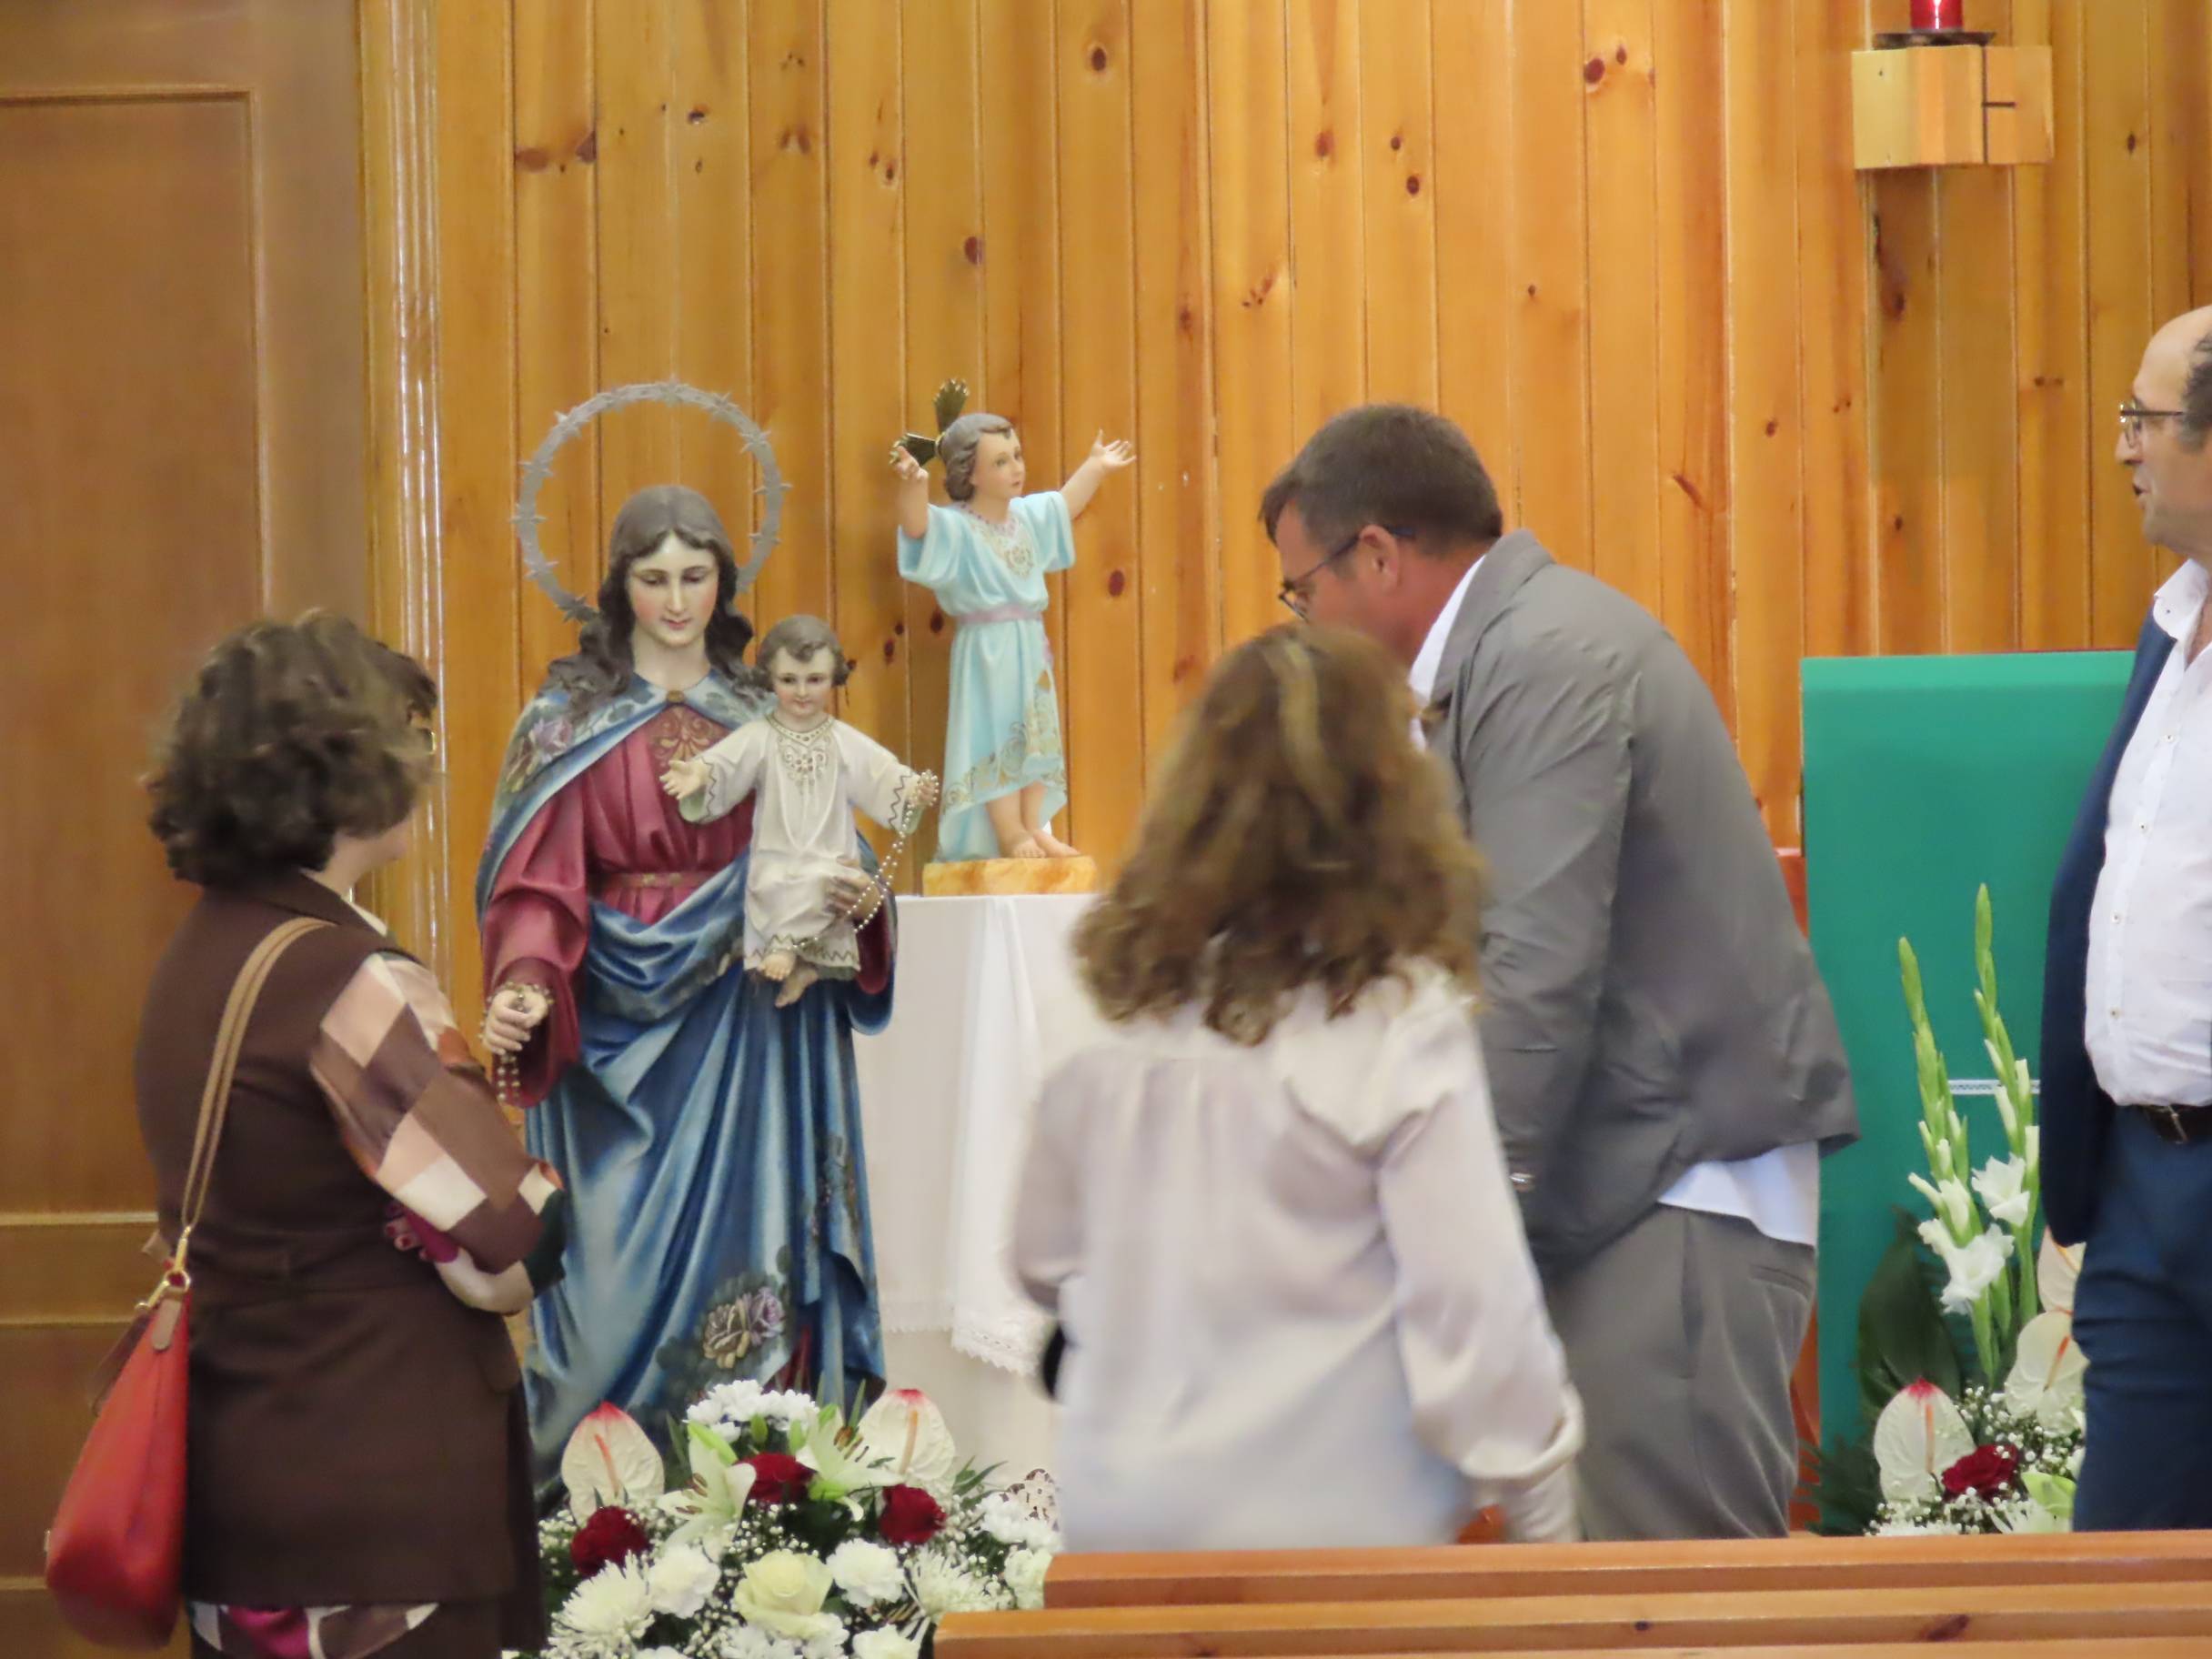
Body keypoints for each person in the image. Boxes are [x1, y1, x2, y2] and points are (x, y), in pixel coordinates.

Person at [1262, 404, 1856, 1542]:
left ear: (1377, 553)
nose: (1306, 625)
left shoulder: (1541, 655)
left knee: (1668, 1609)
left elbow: (1532, 967)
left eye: (1303, 591)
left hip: (1674, 1189)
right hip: (1628, 1181)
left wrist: (1456, 1235)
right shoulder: (1502, 655)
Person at [1011, 625, 1583, 1550]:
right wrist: (1545, 1520)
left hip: (1125, 1522)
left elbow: (1038, 1261)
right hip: (1336, 1534)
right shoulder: (1396, 1022)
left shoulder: (1101, 1010)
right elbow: (1475, 1323)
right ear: (1385, 807)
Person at [136, 614, 566, 1659]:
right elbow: (514, 1223)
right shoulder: (346, 978)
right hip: (371, 1505)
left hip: (245, 1479)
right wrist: (498, 1259)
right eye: (407, 737)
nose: (424, 762)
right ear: (343, 774)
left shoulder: (197, 958)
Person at [478, 485, 895, 1490]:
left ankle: (749, 1514)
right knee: (596, 1315)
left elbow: (841, 848)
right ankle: (584, 1526)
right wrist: (528, 980)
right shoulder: (566, 721)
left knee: (749, 1292)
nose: (675, 600)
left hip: (747, 1026)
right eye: (653, 577)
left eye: (695, 576)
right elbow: (538, 880)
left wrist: (856, 906)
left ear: (724, 581)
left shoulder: (767, 709)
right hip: (607, 1036)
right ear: (618, 587)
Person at [2042, 304, 2212, 1531]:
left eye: (2143, 420)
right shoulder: (2169, 622)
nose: (2123, 449)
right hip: (2145, 1190)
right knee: (2121, 1582)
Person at [890, 411, 1132, 860]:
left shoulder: (1024, 518)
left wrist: (1094, 467)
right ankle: (1008, 832)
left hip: (1028, 643)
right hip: (988, 648)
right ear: (970, 473)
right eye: (1001, 462)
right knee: (997, 734)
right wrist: (913, 486)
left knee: (1036, 733)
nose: (1016, 468)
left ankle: (1034, 824)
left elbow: (1063, 504)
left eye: (1017, 456)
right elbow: (917, 527)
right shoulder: (957, 525)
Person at [661, 614, 937, 1008]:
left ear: (834, 677)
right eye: (789, 680)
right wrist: (698, 773)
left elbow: (880, 773)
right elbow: (727, 763)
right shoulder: (761, 736)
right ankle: (790, 952)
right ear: (770, 679)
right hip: (779, 852)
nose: (802, 692)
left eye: (815, 680)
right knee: (778, 882)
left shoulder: (842, 740)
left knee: (833, 884)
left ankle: (805, 964)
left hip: (828, 851)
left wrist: (912, 789)